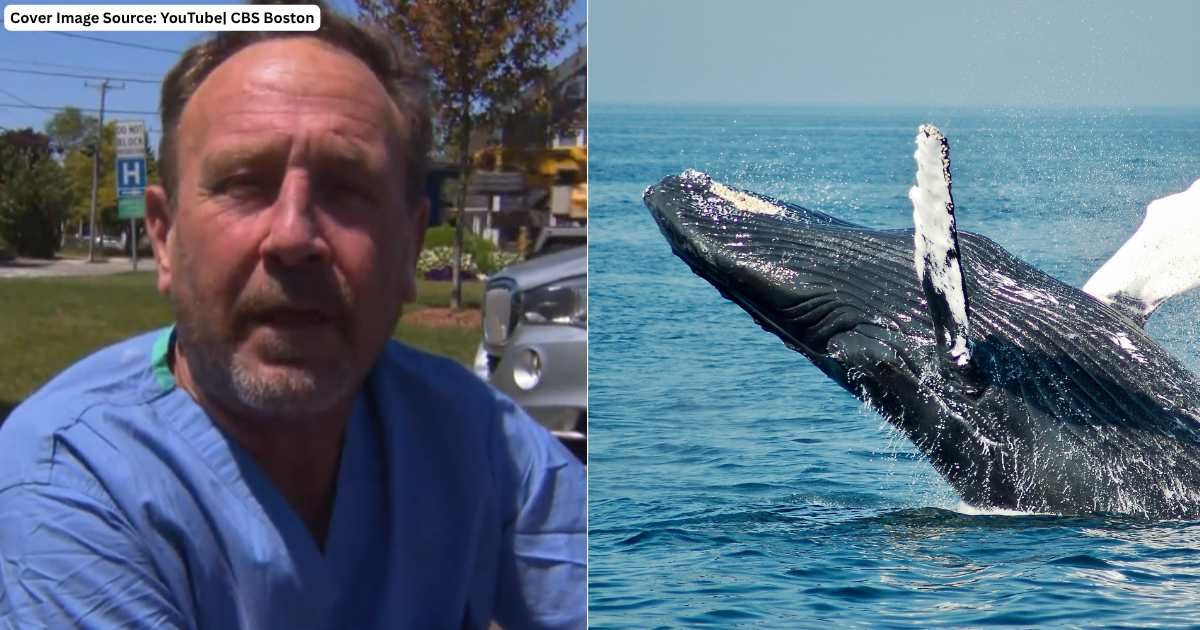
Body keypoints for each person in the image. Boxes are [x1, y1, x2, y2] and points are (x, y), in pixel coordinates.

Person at [0, 4, 585, 628]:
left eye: (346, 188)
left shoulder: (477, 437)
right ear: (165, 237)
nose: (293, 236)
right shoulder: (69, 479)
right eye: (244, 183)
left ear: (410, 247)